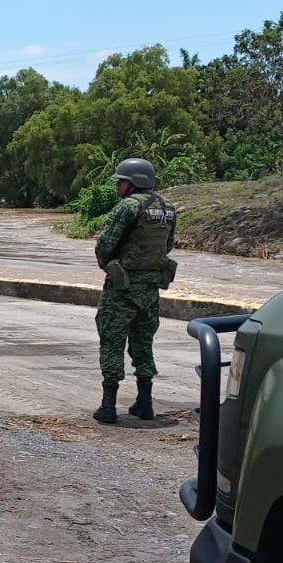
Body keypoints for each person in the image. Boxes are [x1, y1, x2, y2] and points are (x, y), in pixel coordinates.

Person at [92, 158, 176, 425]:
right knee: (143, 343)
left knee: (112, 340)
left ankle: (108, 407)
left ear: (133, 182)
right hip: (150, 288)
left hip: (122, 288)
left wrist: (111, 264)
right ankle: (145, 403)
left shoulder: (127, 206)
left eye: (121, 180)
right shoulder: (167, 208)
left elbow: (105, 245)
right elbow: (168, 246)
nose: (118, 185)